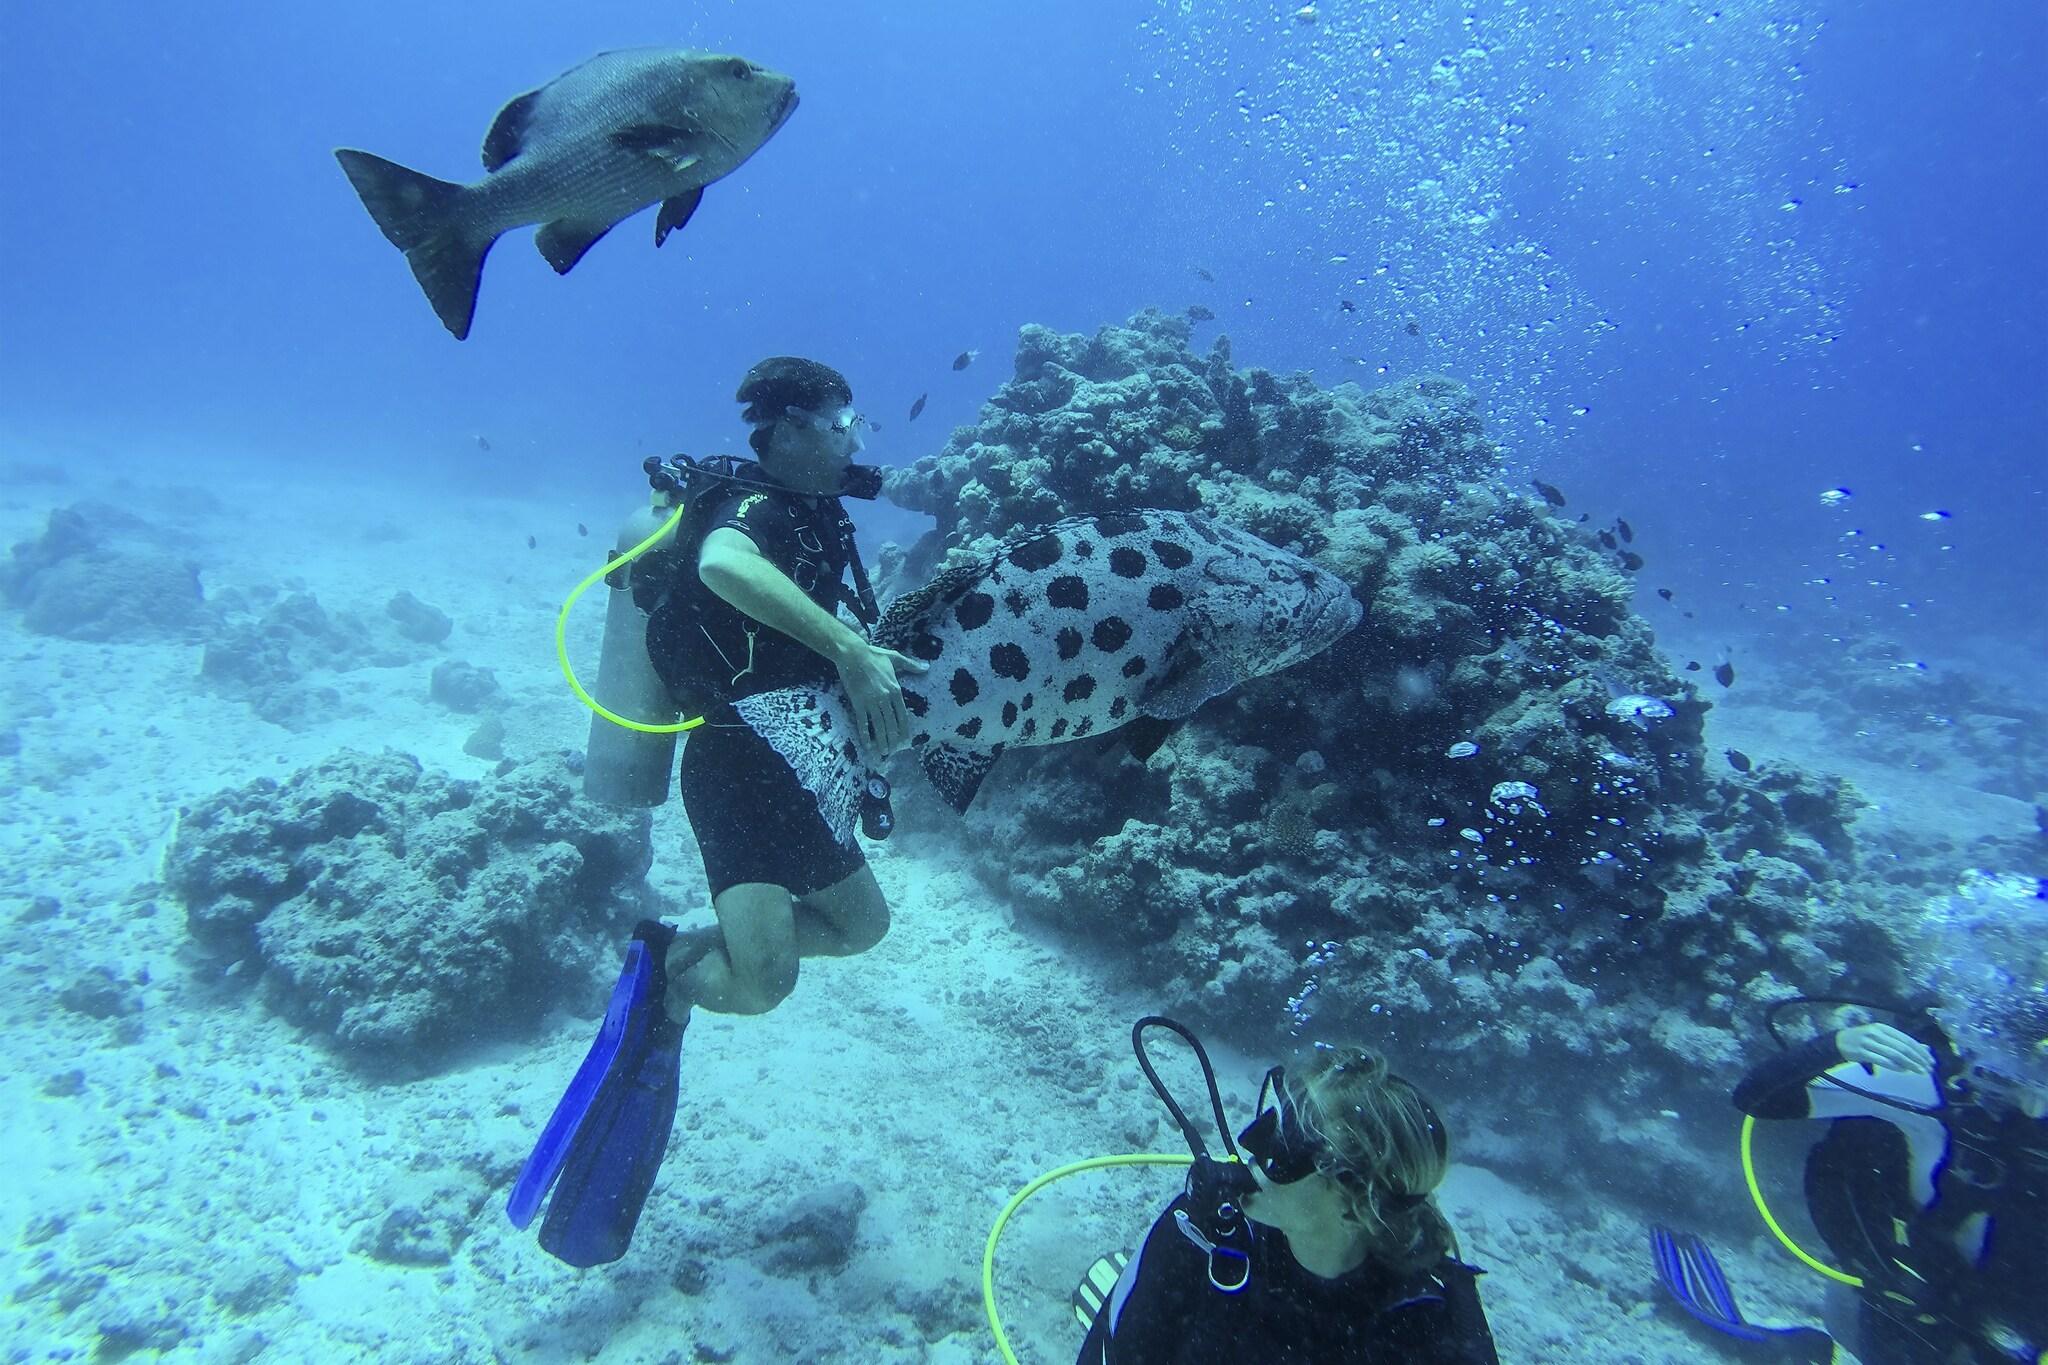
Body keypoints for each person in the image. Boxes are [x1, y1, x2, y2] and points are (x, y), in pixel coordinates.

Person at [505, 357, 927, 1266]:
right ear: (787, 429)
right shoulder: (754, 512)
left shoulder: (814, 512)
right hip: (737, 765)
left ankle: (699, 946)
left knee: (862, 925)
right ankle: (671, 972)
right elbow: (723, 563)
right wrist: (852, 650)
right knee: (766, 983)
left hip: (798, 761)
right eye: (841, 417)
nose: (855, 435)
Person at [1076, 1046, 1500, 1364]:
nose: (1252, 1148)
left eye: (1287, 1147)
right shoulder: (1203, 1233)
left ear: (1356, 1205)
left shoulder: (1433, 1322)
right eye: (1275, 1118)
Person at [1729, 1009, 2047, 1364]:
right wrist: (1837, 1046)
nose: (2000, 1087)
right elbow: (1756, 1098)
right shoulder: (1922, 1081)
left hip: (2023, 1305)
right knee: (1858, 1311)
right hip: (1921, 1293)